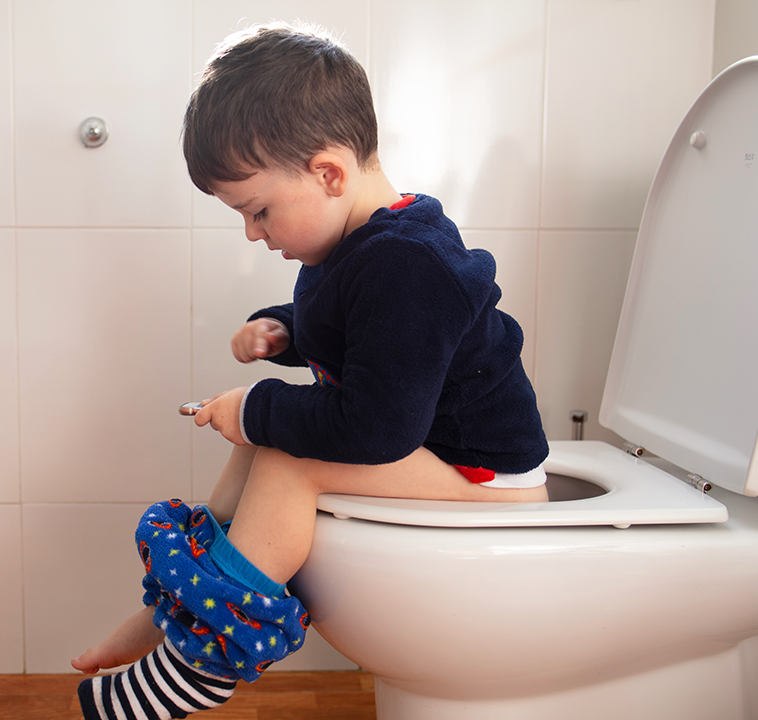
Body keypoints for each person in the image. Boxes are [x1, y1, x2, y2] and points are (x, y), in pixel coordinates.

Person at [72, 22, 550, 720]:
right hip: (430, 450)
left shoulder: (407, 262)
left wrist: (255, 408)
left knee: (288, 460)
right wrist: (284, 331)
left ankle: (198, 666)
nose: (252, 233)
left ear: (328, 173)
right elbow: (361, 332)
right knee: (271, 443)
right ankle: (180, 612)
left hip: (484, 476)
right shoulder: (354, 245)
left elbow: (377, 425)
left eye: (258, 211)